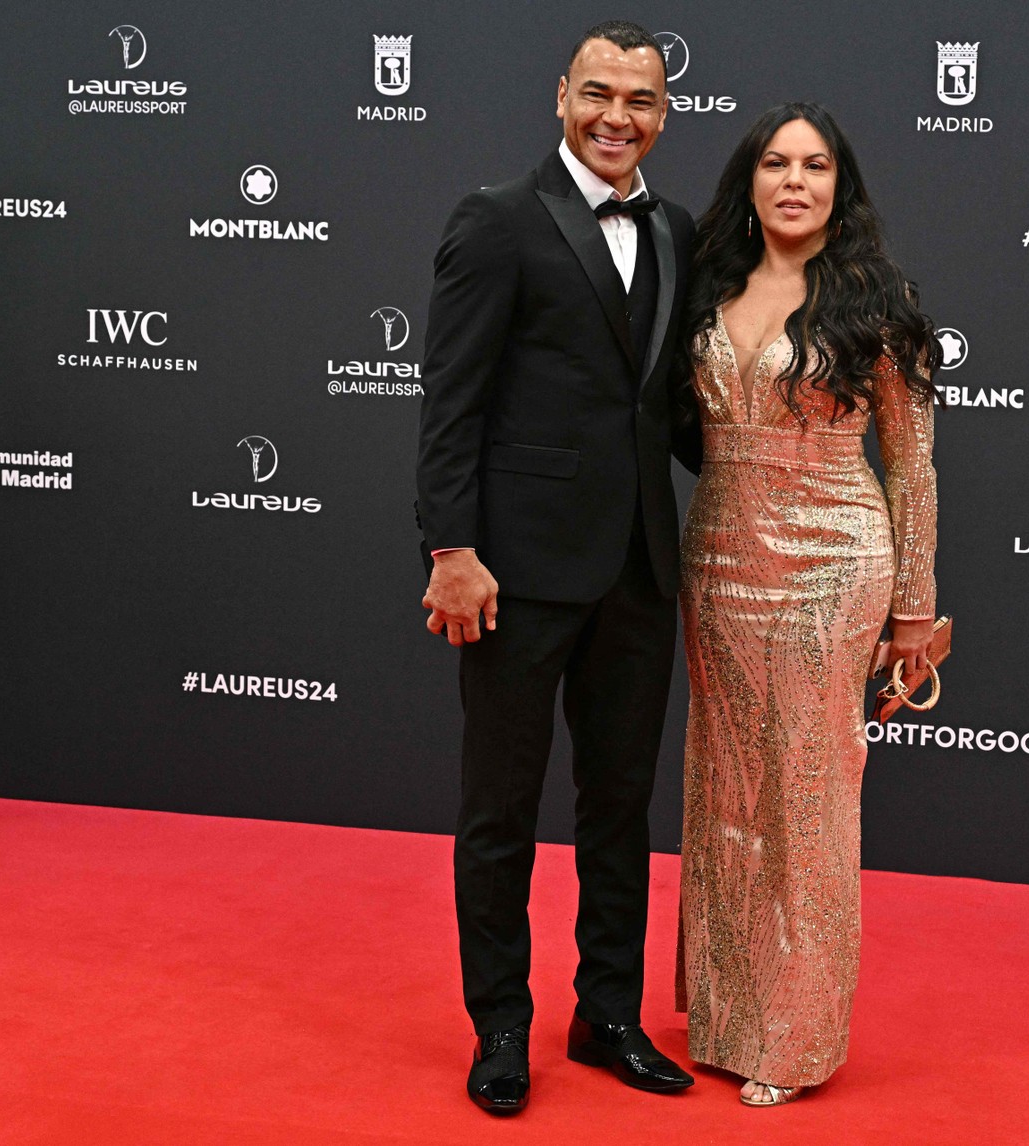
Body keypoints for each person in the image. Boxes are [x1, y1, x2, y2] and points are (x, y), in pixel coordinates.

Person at [415, 20, 698, 1115]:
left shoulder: (674, 228)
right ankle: (500, 1028)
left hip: (638, 571)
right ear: (561, 97)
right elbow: (452, 401)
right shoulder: (496, 220)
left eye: (640, 100)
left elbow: (667, 407)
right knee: (499, 809)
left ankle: (606, 1015)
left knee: (619, 807)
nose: (617, 117)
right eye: (598, 94)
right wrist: (451, 549)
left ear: (664, 114)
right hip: (514, 574)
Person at [675, 102, 941, 1106]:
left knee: (808, 795)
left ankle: (795, 1035)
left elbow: (911, 468)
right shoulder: (709, 284)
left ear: (841, 184)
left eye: (816, 164)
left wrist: (913, 611)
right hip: (718, 554)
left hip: (834, 561)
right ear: (749, 180)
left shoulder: (876, 297)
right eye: (776, 163)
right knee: (723, 781)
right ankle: (725, 1007)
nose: (795, 180)